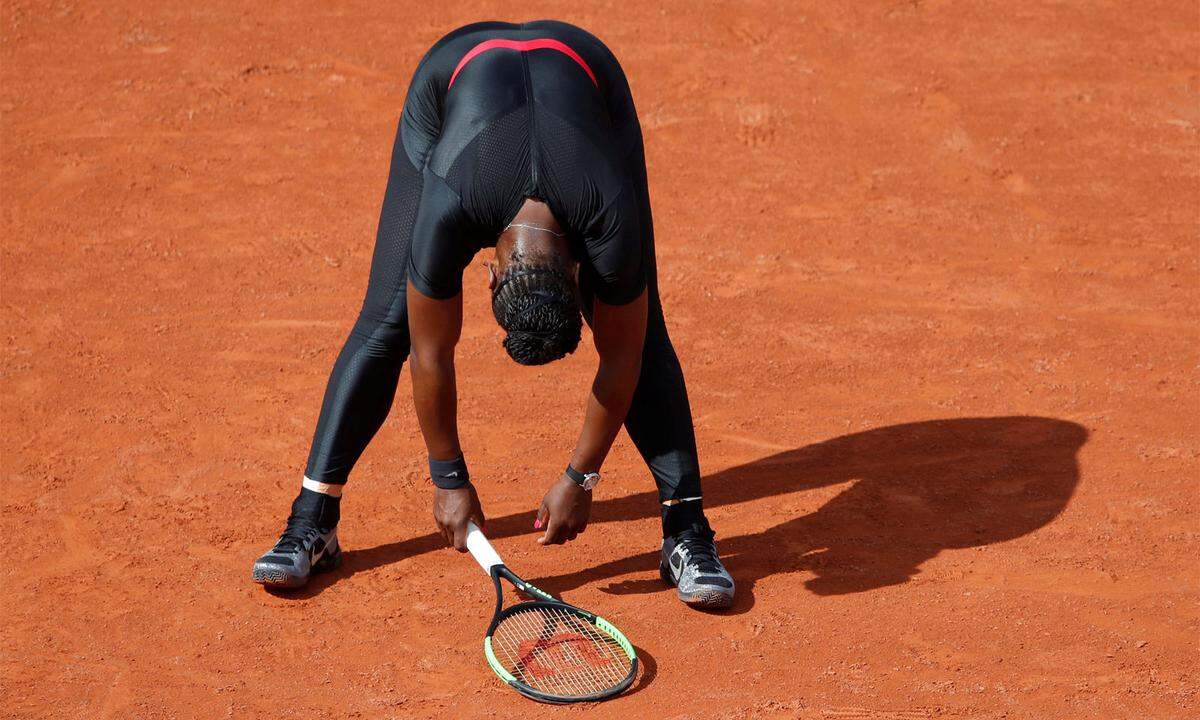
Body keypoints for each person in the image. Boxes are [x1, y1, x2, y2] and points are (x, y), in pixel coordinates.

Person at [251, 20, 735, 609]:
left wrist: (581, 478)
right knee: (387, 323)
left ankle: (687, 532)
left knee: (643, 325)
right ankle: (313, 521)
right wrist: (448, 478)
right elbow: (428, 353)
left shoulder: (609, 216)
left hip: (590, 77)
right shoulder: (450, 204)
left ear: (576, 270)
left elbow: (625, 352)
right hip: (450, 74)